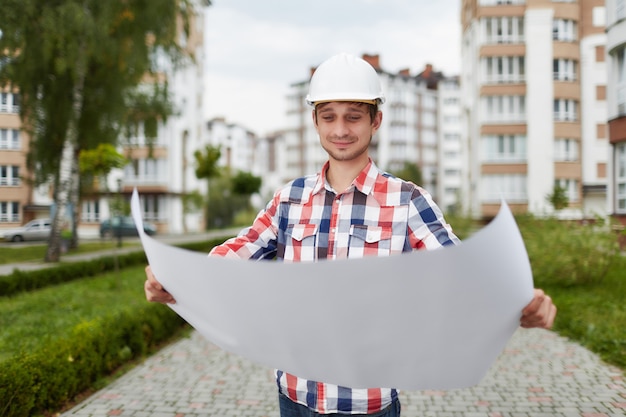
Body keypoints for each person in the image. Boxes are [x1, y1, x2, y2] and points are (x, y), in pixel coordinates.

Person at [145, 53, 557, 417]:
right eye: (329, 116)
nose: (341, 129)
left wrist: (522, 304)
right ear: (315, 121)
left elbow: (465, 276)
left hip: (368, 404)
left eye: (353, 116)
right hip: (294, 396)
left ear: (375, 120)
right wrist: (173, 278)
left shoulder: (407, 201)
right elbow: (238, 254)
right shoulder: (290, 198)